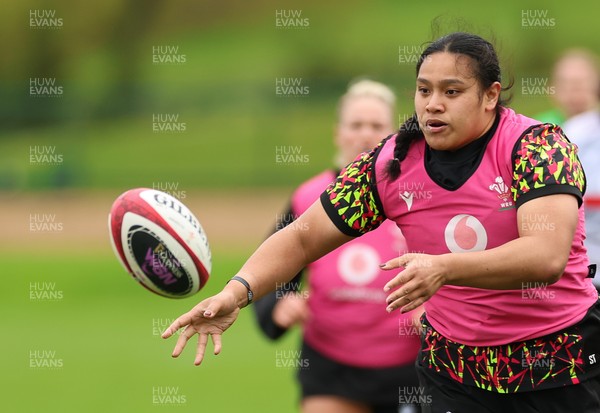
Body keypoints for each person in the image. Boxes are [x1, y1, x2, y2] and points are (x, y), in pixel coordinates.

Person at [162, 32, 600, 413]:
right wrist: (236, 292)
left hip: (558, 363)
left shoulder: (538, 147)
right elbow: (300, 238)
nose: (433, 104)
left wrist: (443, 267)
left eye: (451, 92)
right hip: (457, 375)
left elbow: (546, 256)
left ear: (490, 95)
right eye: (423, 90)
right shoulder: (391, 163)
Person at [254, 79, 421, 413]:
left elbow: (454, 268)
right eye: (355, 125)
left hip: (409, 369)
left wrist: (435, 308)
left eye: (376, 125)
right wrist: (279, 305)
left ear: (394, 135)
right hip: (331, 368)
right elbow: (275, 269)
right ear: (338, 133)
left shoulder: (418, 195)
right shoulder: (308, 197)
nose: (365, 134)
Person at [557, 50, 600, 289]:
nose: (575, 92)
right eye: (568, 85)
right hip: (583, 273)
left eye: (580, 84)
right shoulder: (557, 131)